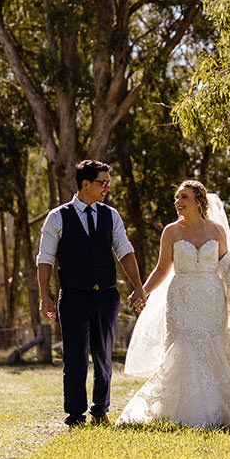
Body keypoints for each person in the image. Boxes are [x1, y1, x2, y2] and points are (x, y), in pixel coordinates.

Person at [116, 180, 230, 433]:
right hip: (182, 299)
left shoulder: (216, 230)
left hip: (211, 299)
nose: (178, 202)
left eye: (183, 197)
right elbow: (162, 269)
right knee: (183, 347)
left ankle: (218, 411)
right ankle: (175, 409)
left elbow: (229, 265)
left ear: (199, 200)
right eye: (176, 198)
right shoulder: (171, 232)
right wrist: (142, 291)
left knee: (212, 348)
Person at [36, 160, 147, 427]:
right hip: (73, 297)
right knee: (74, 358)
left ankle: (100, 410)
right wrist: (44, 295)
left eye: (108, 182)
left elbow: (125, 251)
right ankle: (75, 415)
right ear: (85, 184)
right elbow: (45, 259)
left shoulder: (111, 215)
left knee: (104, 356)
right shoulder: (57, 216)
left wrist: (139, 287)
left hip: (106, 296)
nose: (107, 187)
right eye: (102, 182)